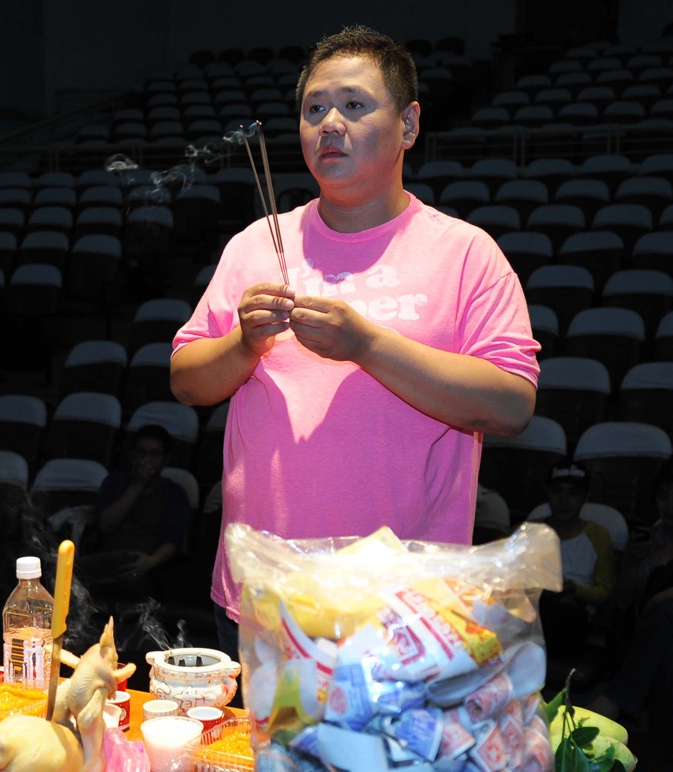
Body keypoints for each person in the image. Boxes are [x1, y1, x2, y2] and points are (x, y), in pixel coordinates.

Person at [170, 25, 540, 657]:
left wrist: (367, 345)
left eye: (354, 105)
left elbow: (511, 405)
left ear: (409, 124)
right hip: (265, 599)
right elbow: (186, 382)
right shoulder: (256, 244)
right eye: (314, 109)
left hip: (405, 611)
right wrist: (243, 345)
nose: (330, 124)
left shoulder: (465, 253)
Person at [590, 459, 673, 727]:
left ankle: (614, 701)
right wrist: (631, 562)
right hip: (642, 636)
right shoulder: (653, 536)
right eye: (663, 496)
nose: (669, 505)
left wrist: (660, 598)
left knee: (664, 615)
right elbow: (624, 601)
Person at [77, 424, 191, 603]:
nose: (145, 459)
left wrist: (151, 561)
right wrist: (137, 485)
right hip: (108, 560)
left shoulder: (174, 493)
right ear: (132, 455)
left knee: (132, 572)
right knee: (66, 570)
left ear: (165, 460)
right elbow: (105, 526)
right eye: (140, 452)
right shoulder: (114, 482)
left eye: (154, 454)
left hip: (145, 565)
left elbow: (173, 542)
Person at [537, 460, 615, 686]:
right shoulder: (529, 531)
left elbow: (604, 592)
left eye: (573, 493)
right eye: (557, 491)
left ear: (585, 497)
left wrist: (574, 589)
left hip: (574, 619)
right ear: (547, 492)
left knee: (561, 609)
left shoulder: (599, 536)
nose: (564, 500)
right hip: (533, 609)